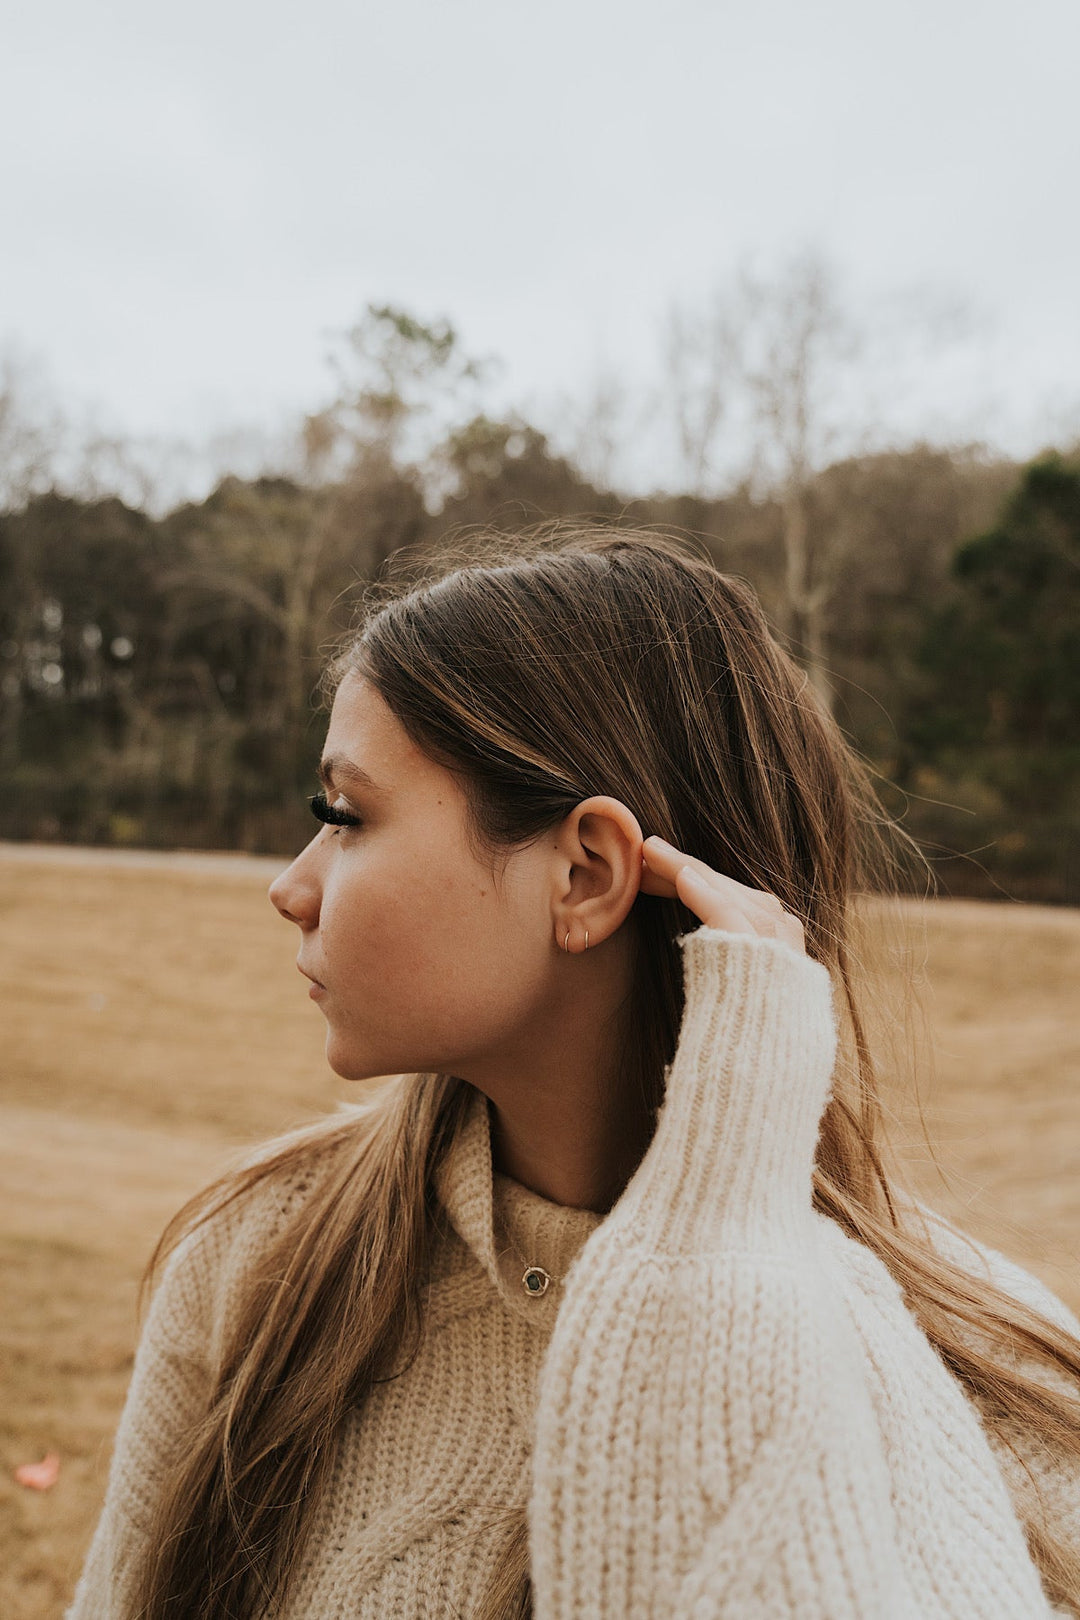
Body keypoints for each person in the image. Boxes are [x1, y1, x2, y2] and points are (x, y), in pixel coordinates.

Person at [68, 525, 1080, 1619]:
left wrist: (724, 1241)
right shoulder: (256, 1269)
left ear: (588, 875)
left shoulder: (1007, 1390)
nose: (291, 886)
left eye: (345, 817)